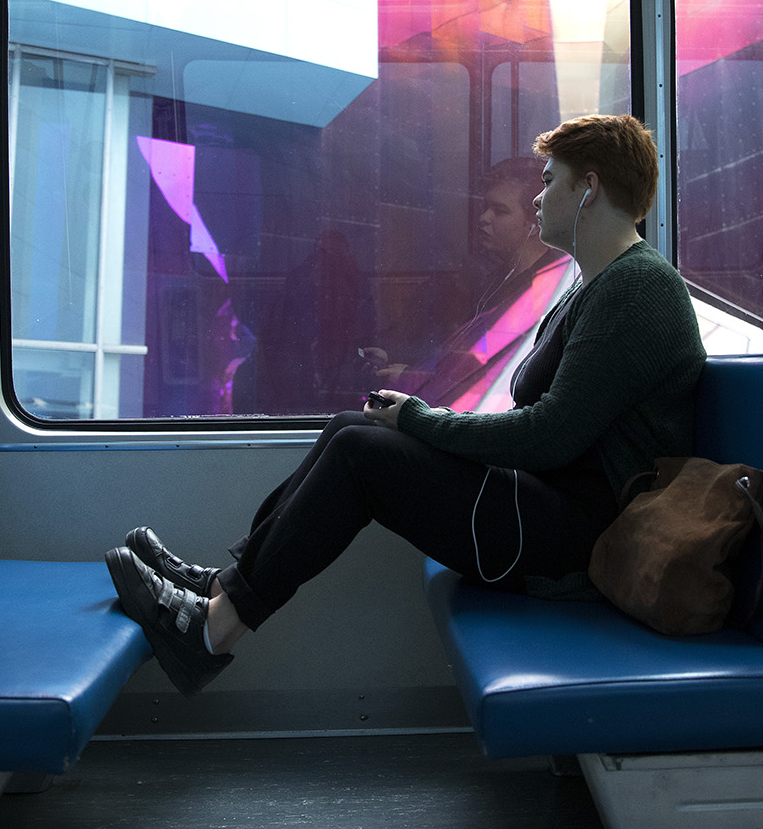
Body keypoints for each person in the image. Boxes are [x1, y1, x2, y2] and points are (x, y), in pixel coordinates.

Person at [106, 114, 707, 696]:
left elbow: (549, 436)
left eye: (551, 181)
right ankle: (225, 588)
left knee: (363, 454)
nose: (539, 198)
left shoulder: (638, 287)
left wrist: (418, 420)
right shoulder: (595, 283)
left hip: (581, 545)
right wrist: (418, 419)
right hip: (550, 507)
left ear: (589, 188)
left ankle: (213, 631)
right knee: (349, 427)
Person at [362, 156, 569, 409]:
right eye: (486, 207)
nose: (484, 218)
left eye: (500, 211)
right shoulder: (497, 278)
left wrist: (412, 378)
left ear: (534, 223)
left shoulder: (542, 290)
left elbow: (489, 378)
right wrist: (403, 366)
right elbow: (464, 359)